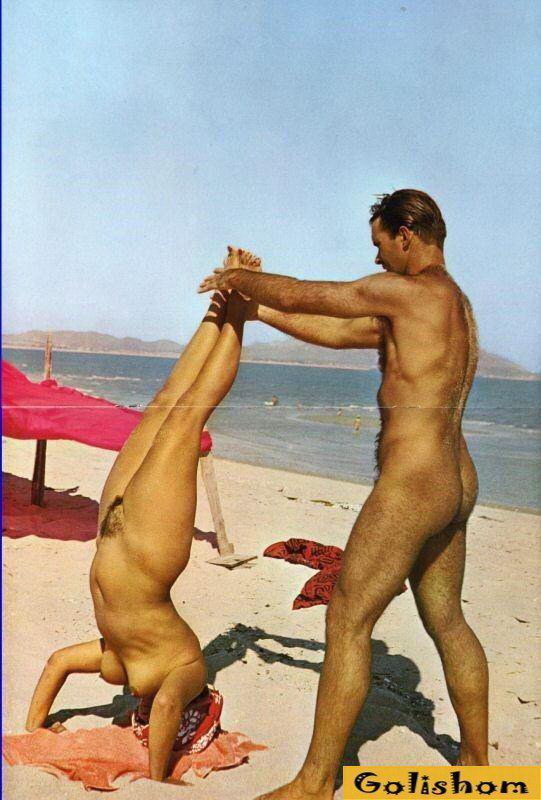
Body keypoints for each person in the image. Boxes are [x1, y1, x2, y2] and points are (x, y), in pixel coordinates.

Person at [199, 190, 488, 800]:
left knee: (347, 619)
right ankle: (476, 764)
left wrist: (235, 277)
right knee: (448, 620)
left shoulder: (407, 292)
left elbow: (313, 293)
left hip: (415, 484)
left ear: (406, 234)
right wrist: (256, 309)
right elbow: (336, 328)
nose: (376, 257)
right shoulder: (450, 305)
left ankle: (315, 783)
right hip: (457, 480)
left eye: (380, 244)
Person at [25, 252, 260, 782]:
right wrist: (160, 776)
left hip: (113, 532)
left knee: (175, 410)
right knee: (176, 410)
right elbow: (170, 704)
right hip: (152, 551)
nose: (141, 712)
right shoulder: (189, 669)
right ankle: (229, 304)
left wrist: (35, 726)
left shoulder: (116, 658)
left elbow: (58, 662)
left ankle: (236, 302)